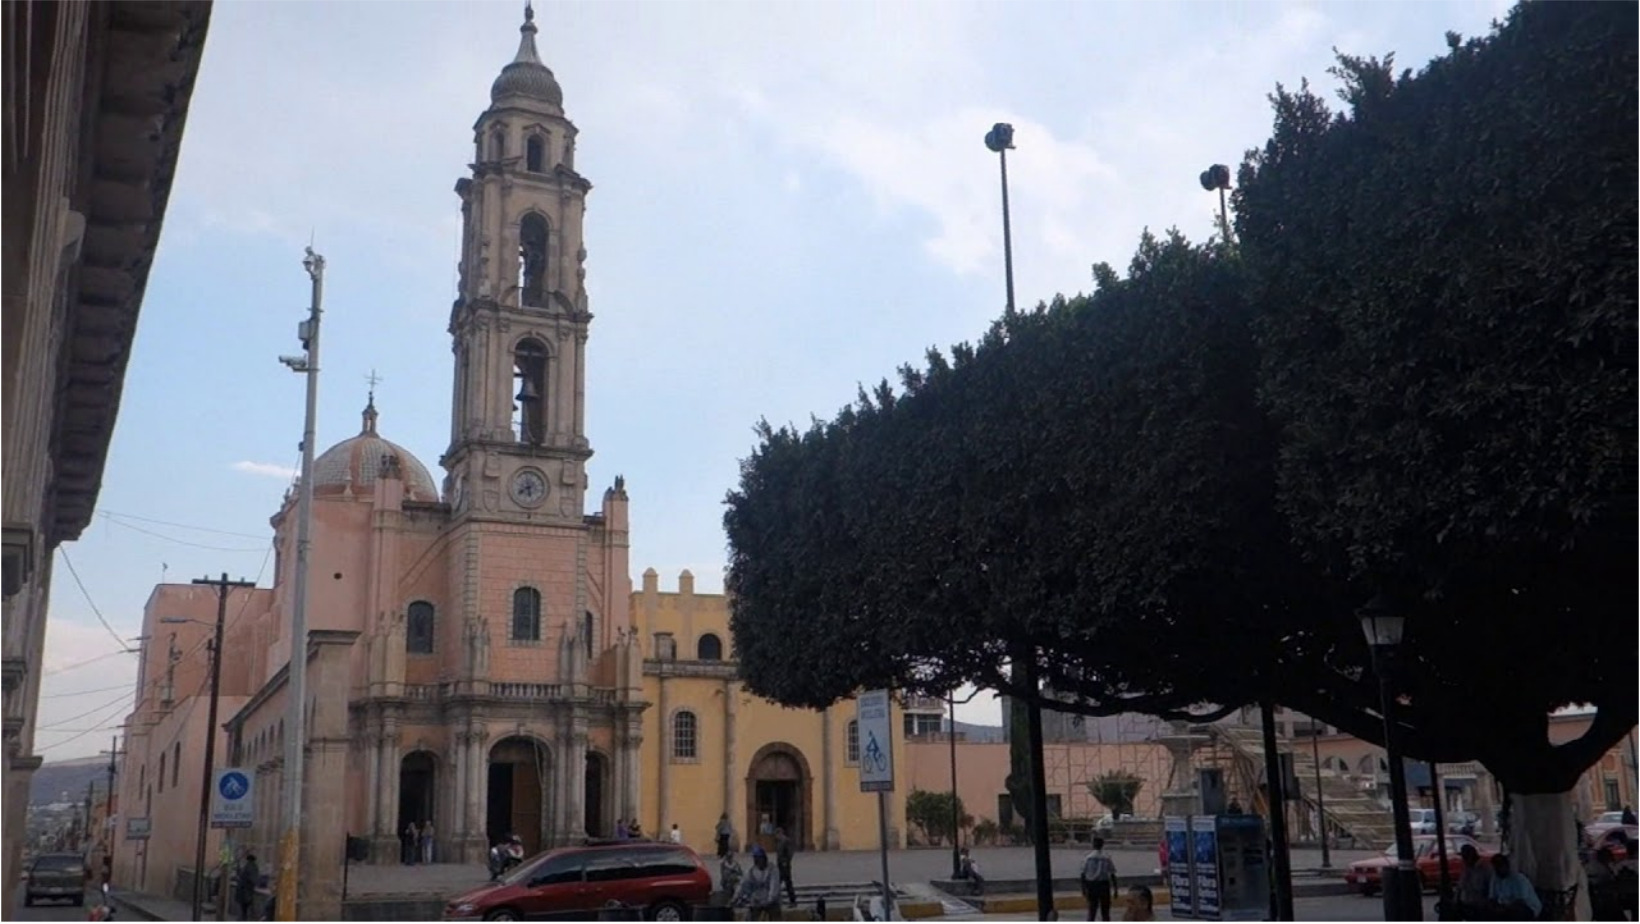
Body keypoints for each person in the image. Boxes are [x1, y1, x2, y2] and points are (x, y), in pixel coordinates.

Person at [1485, 854, 1542, 920]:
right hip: (1504, 907)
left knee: (1516, 913)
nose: (1498, 869)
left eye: (1500, 866)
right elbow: (1492, 898)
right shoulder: (1495, 878)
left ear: (1507, 865)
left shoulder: (1519, 879)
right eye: (1496, 867)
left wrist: (1504, 909)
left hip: (1528, 907)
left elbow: (1520, 901)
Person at [734, 845, 783, 921]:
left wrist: (770, 899)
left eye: (761, 858)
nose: (759, 861)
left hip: (771, 902)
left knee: (775, 917)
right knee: (748, 919)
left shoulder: (773, 869)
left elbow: (774, 886)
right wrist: (736, 897)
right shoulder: (751, 871)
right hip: (757, 901)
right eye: (757, 859)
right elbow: (743, 884)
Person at [1080, 836, 1118, 922]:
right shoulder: (1107, 858)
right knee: (1105, 911)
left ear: (1093, 845)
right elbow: (1112, 874)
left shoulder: (1088, 858)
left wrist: (1083, 888)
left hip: (1092, 885)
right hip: (1104, 885)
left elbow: (1083, 874)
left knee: (1092, 910)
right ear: (1102, 845)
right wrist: (1115, 889)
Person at [774, 826, 796, 906]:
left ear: (780, 833)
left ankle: (792, 901)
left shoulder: (786, 841)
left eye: (776, 834)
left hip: (785, 866)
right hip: (780, 865)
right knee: (778, 883)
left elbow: (790, 852)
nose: (776, 837)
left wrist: (786, 862)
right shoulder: (779, 841)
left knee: (787, 884)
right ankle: (779, 900)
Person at [234, 853, 260, 921]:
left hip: (245, 891)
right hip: (247, 891)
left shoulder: (248, 867)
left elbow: (246, 877)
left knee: (244, 908)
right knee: (246, 908)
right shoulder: (253, 867)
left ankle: (243, 919)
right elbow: (253, 879)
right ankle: (244, 919)